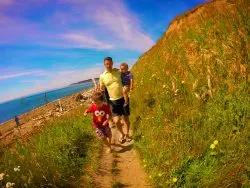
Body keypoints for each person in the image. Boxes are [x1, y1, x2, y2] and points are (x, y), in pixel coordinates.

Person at [98, 57, 131, 143]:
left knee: (126, 119)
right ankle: (122, 134)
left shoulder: (118, 71)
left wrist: (127, 86)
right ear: (104, 65)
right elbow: (101, 89)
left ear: (112, 63)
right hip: (113, 101)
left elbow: (128, 75)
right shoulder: (102, 76)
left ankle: (127, 135)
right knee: (116, 121)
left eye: (110, 63)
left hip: (123, 99)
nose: (108, 65)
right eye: (106, 64)